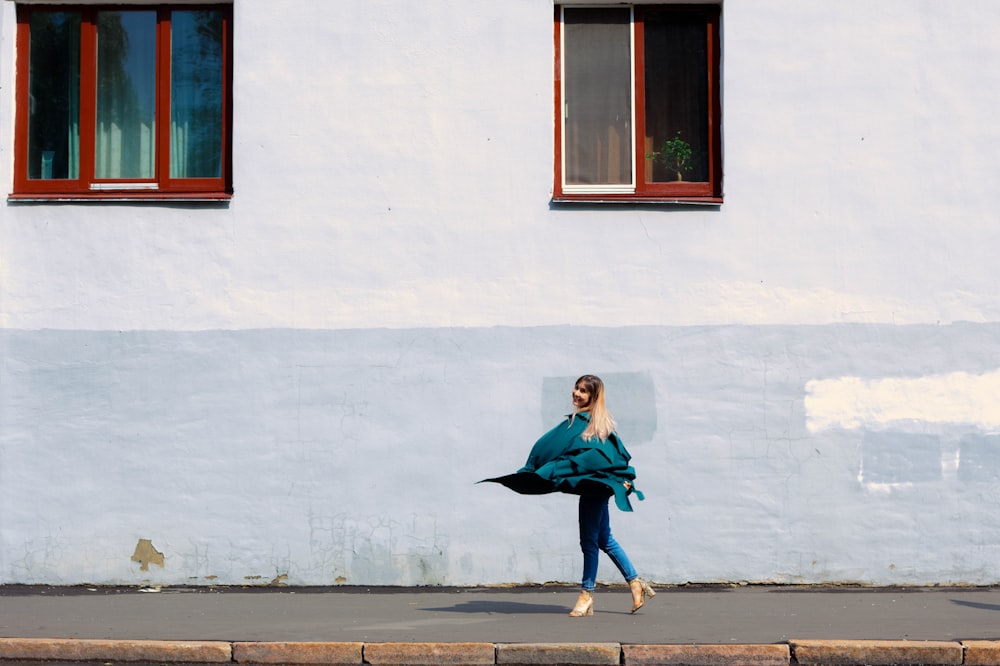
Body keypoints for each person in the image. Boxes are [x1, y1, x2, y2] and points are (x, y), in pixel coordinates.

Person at [481, 374, 655, 617]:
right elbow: (560, 449)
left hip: (596, 487)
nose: (577, 394)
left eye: (583, 391)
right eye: (576, 388)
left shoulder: (593, 422)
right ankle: (635, 582)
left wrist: (619, 479)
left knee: (589, 542)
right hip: (592, 487)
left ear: (593, 397)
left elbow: (608, 456)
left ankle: (586, 593)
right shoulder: (578, 421)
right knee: (604, 540)